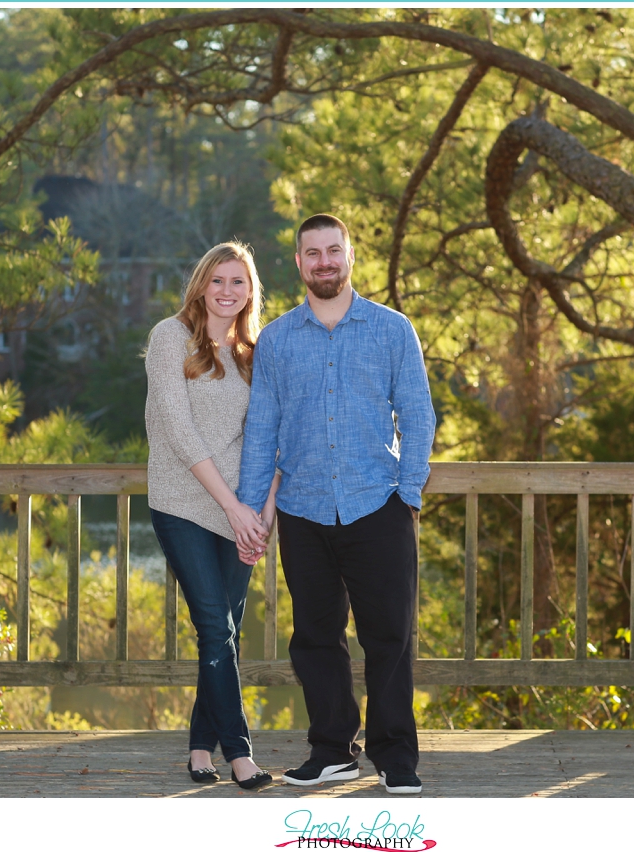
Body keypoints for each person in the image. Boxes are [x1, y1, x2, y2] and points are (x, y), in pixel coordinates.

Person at [237, 214, 436, 795]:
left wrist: (409, 494)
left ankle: (396, 758)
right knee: (315, 638)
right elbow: (262, 431)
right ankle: (332, 751)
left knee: (389, 639)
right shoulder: (276, 339)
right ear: (299, 263)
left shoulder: (392, 330)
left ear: (350, 256)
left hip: (379, 507)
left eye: (333, 251)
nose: (324, 261)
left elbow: (418, 415)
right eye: (312, 253)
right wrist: (254, 511)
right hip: (302, 511)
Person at [144, 240, 278, 790]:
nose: (227, 291)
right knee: (214, 628)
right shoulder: (169, 337)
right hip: (183, 500)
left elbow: (270, 435)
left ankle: (201, 748)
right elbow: (179, 431)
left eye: (238, 282)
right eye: (218, 280)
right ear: (201, 283)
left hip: (243, 509)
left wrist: (261, 513)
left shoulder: (256, 351)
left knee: (226, 631)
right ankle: (240, 753)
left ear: (251, 292)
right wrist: (233, 507)